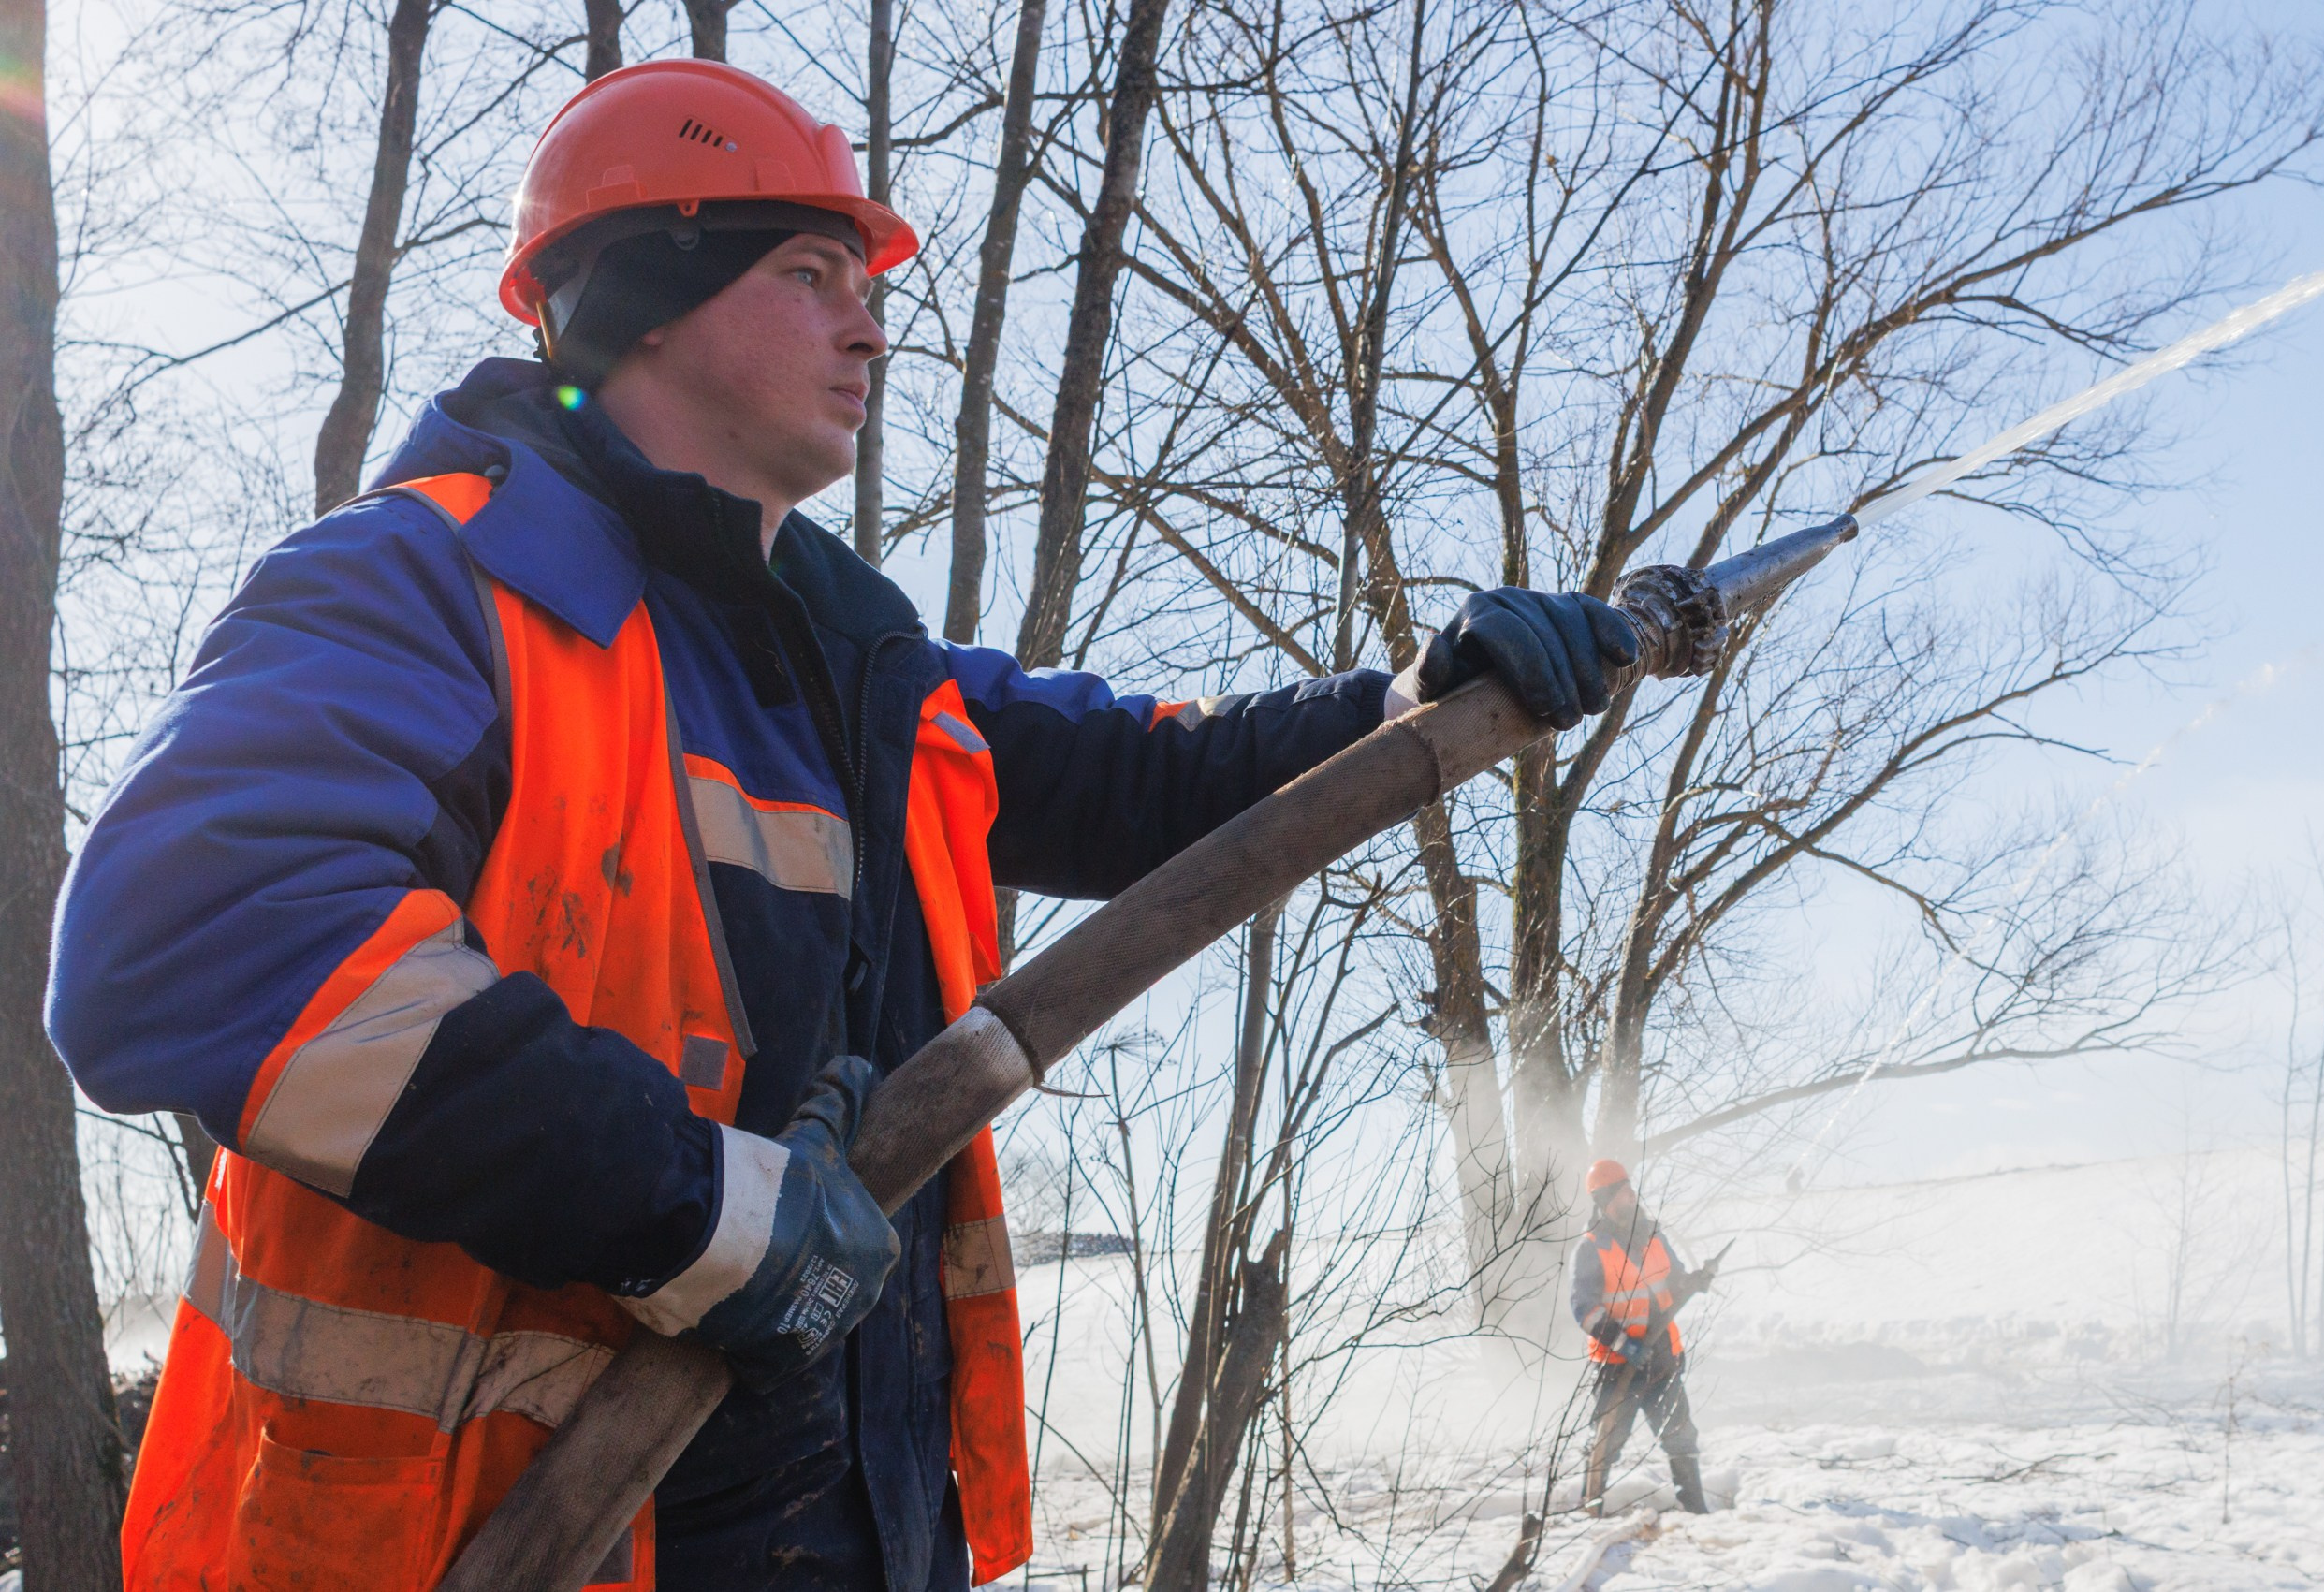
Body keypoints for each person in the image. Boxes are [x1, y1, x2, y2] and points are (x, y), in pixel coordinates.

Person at [46, 59, 1642, 1592]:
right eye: (813, 274)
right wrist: (701, 1208)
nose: (870, 332)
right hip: (497, 1539)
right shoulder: (421, 587)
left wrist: (1421, 699)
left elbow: (1162, 777)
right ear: (641, 299)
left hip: (859, 1531)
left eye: (866, 290)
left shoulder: (860, 674)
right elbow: (187, 946)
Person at [1569, 1160, 1717, 1516]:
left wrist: (1695, 1282)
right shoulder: (1591, 1248)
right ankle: (1590, 1509)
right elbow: (1584, 1308)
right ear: (1605, 1200)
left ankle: (1695, 1509)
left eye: (1631, 1190)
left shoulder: (1653, 1236)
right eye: (1623, 1193)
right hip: (1617, 1364)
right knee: (1606, 1442)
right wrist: (1623, 1344)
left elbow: (1674, 1281)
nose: (1632, 1197)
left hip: (1662, 1356)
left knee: (1680, 1434)